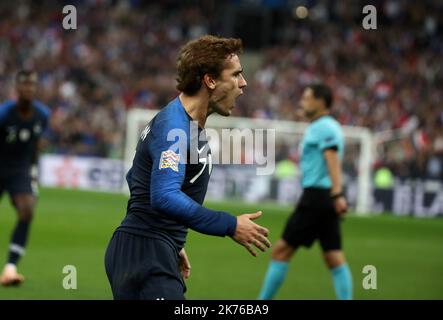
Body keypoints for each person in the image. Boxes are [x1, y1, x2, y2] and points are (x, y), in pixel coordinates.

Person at [105, 35, 271, 300]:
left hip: (150, 249)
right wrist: (229, 224)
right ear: (210, 80)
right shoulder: (175, 127)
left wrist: (169, 237)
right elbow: (164, 196)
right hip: (145, 254)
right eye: (236, 74)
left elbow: (136, 176)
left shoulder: (187, 125)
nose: (243, 83)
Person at [258, 84, 353, 300]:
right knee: (333, 257)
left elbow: (332, 159)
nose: (302, 101)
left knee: (281, 251)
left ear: (321, 101)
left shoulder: (323, 127)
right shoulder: (327, 126)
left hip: (316, 198)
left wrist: (337, 194)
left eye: (307, 97)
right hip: (324, 197)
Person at [0, 70, 50, 286]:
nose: (29, 88)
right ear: (17, 88)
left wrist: (33, 174)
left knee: (27, 210)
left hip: (20, 169)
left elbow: (35, 145)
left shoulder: (43, 114)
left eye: (32, 85)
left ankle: (10, 269)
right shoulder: (4, 113)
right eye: (25, 85)